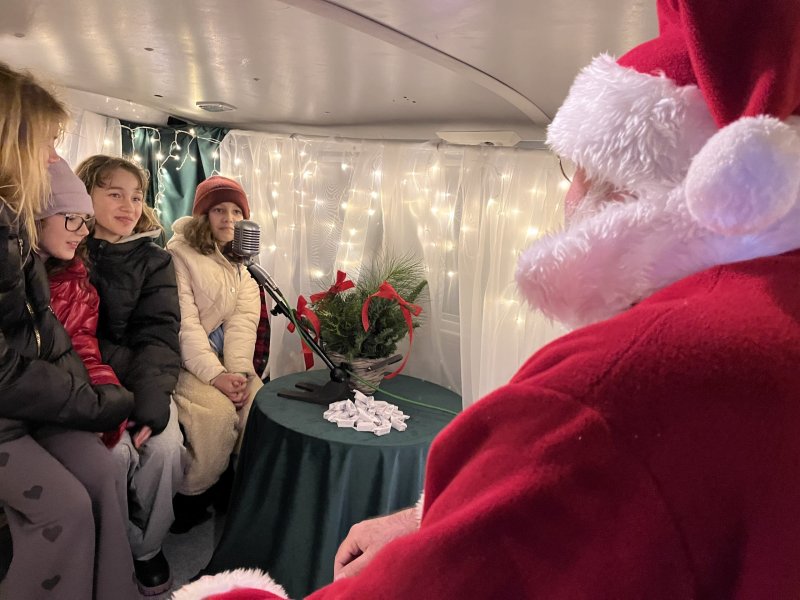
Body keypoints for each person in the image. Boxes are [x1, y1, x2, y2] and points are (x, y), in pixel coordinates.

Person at [176, 0, 800, 597]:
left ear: (620, 185)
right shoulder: (769, 317)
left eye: (574, 169)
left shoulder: (609, 382)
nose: (568, 193)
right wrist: (425, 519)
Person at [0, 63, 137, 599]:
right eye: (44, 142)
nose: (51, 157)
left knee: (103, 474)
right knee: (65, 509)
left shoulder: (15, 225)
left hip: (25, 404)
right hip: (8, 411)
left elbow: (48, 333)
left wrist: (95, 394)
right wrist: (88, 403)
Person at [76, 154, 185, 596]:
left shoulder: (154, 260)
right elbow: (76, 339)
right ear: (86, 195)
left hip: (146, 378)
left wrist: (151, 404)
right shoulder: (68, 251)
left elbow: (159, 334)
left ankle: (146, 548)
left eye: (137, 197)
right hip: (88, 382)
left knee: (166, 449)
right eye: (115, 194)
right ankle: (114, 546)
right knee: (116, 455)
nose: (129, 206)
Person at [166, 175, 262, 532]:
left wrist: (239, 372)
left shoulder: (243, 263)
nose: (229, 219)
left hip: (224, 361)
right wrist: (216, 375)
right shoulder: (179, 255)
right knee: (216, 415)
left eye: (237, 211)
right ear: (203, 215)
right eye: (219, 210)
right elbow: (185, 325)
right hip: (185, 360)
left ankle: (234, 489)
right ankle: (191, 497)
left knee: (257, 404)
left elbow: (243, 322)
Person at [38, 157, 129, 448]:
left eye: (85, 219)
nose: (84, 230)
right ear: (37, 216)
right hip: (34, 407)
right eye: (71, 217)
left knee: (112, 460)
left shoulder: (78, 285)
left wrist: (106, 396)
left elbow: (83, 349)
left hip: (67, 402)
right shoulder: (15, 279)